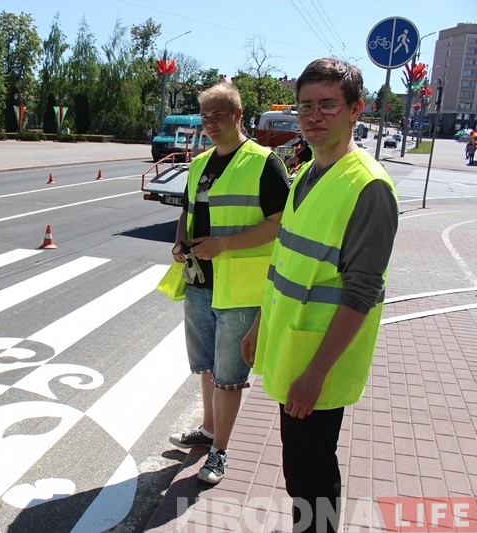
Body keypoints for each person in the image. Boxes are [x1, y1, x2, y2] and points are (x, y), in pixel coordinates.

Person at [242, 58, 398, 533]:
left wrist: (315, 375)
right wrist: (258, 327)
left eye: (328, 105)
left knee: (313, 476)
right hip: (293, 348)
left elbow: (362, 293)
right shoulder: (307, 172)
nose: (313, 116)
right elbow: (286, 264)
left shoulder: (368, 188)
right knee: (301, 473)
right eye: (306, 105)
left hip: (320, 366)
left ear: (356, 109)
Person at [168, 82, 290, 485]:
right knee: (205, 368)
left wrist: (223, 244)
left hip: (239, 289)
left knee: (229, 376)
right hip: (200, 283)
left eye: (218, 116)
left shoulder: (264, 163)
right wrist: (180, 240)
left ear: (238, 116)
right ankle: (207, 430)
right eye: (205, 117)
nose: (210, 124)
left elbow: (278, 227)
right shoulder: (201, 163)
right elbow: (188, 210)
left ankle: (220, 452)